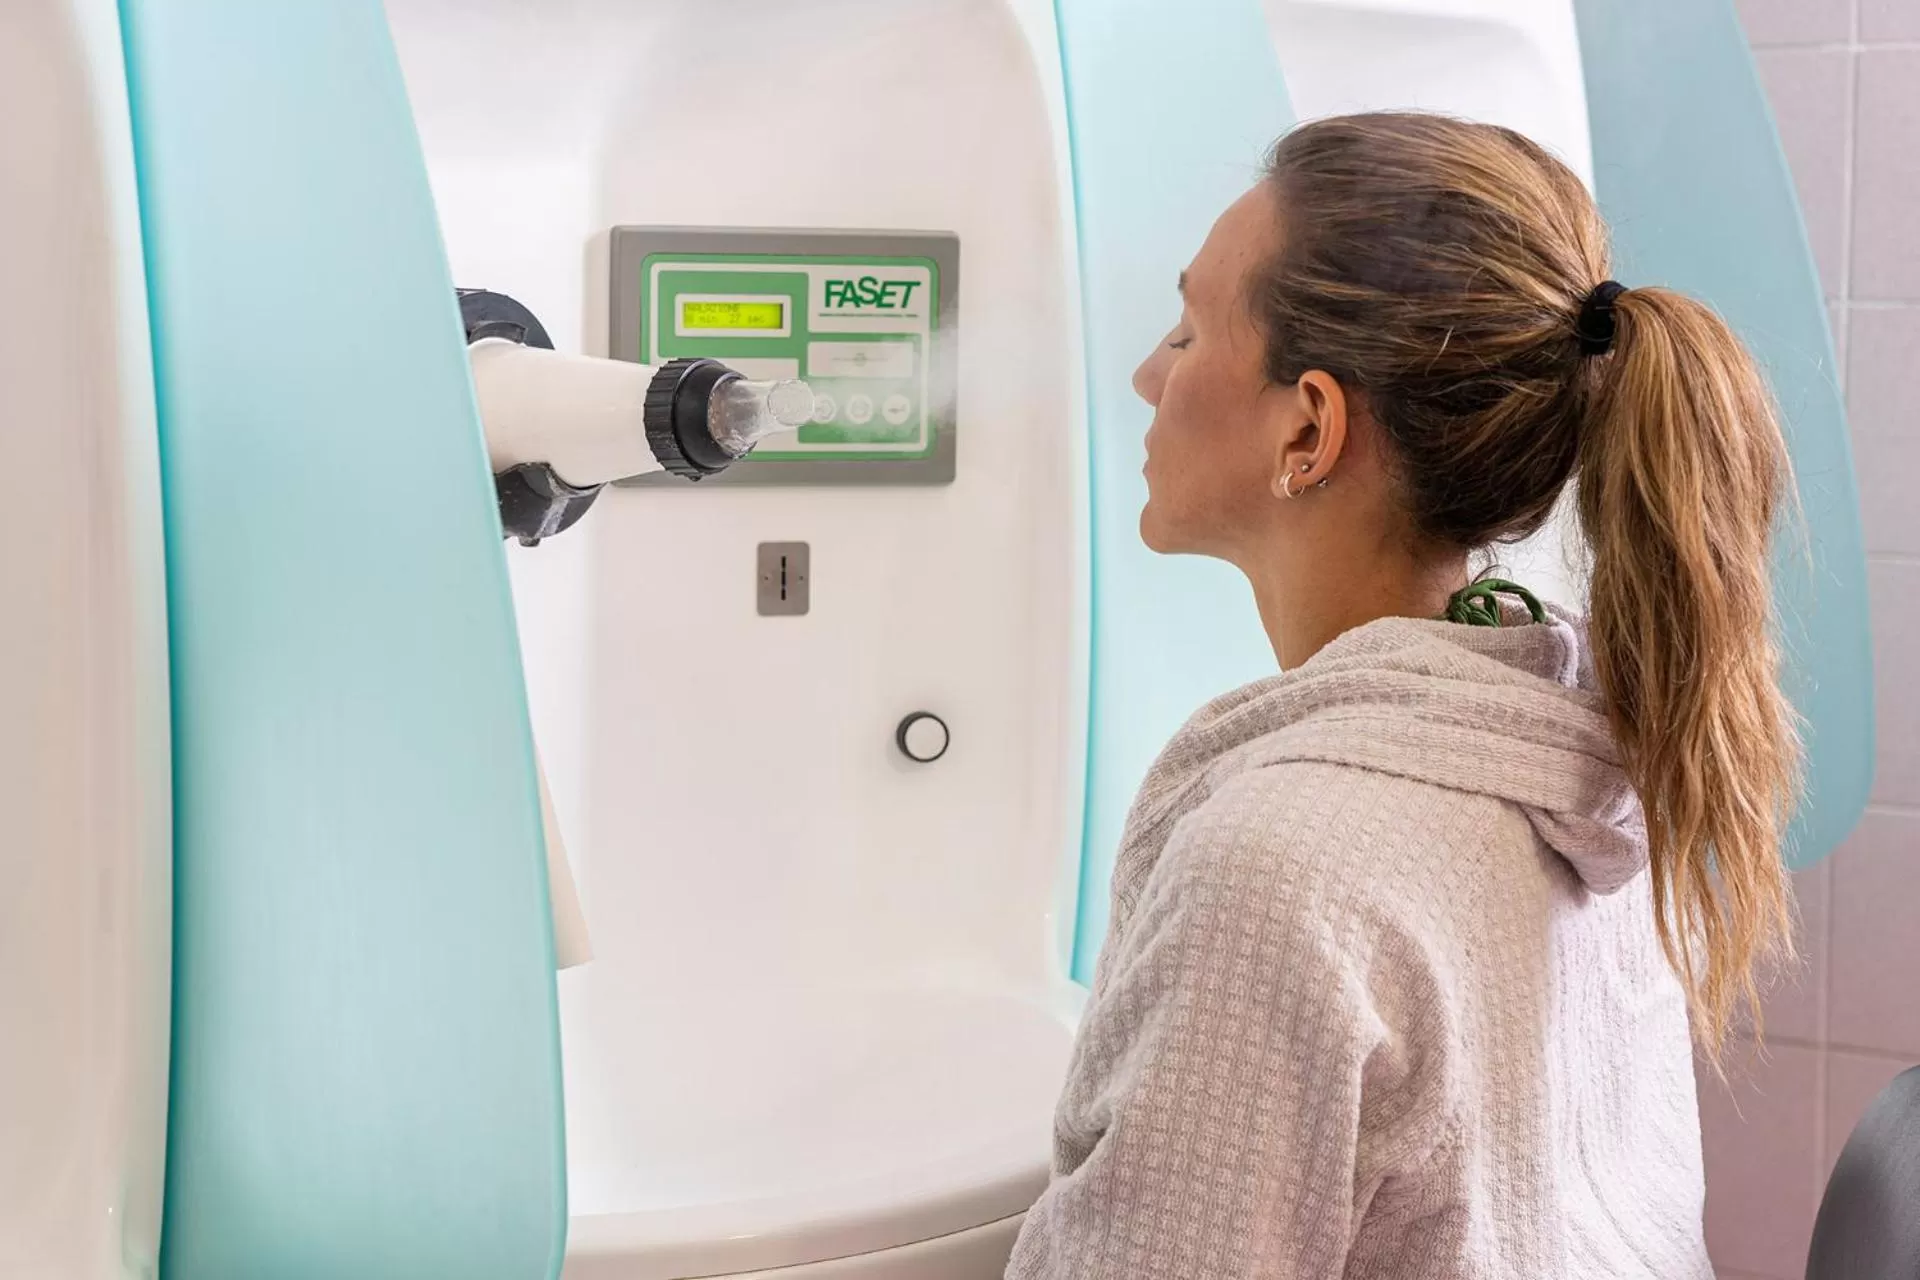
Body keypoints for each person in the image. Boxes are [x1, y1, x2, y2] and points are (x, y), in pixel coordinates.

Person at [1005, 112, 1797, 1279]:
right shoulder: (1584, 773)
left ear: (1309, 427)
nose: (1145, 374)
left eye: (1186, 331)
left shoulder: (1281, 873)